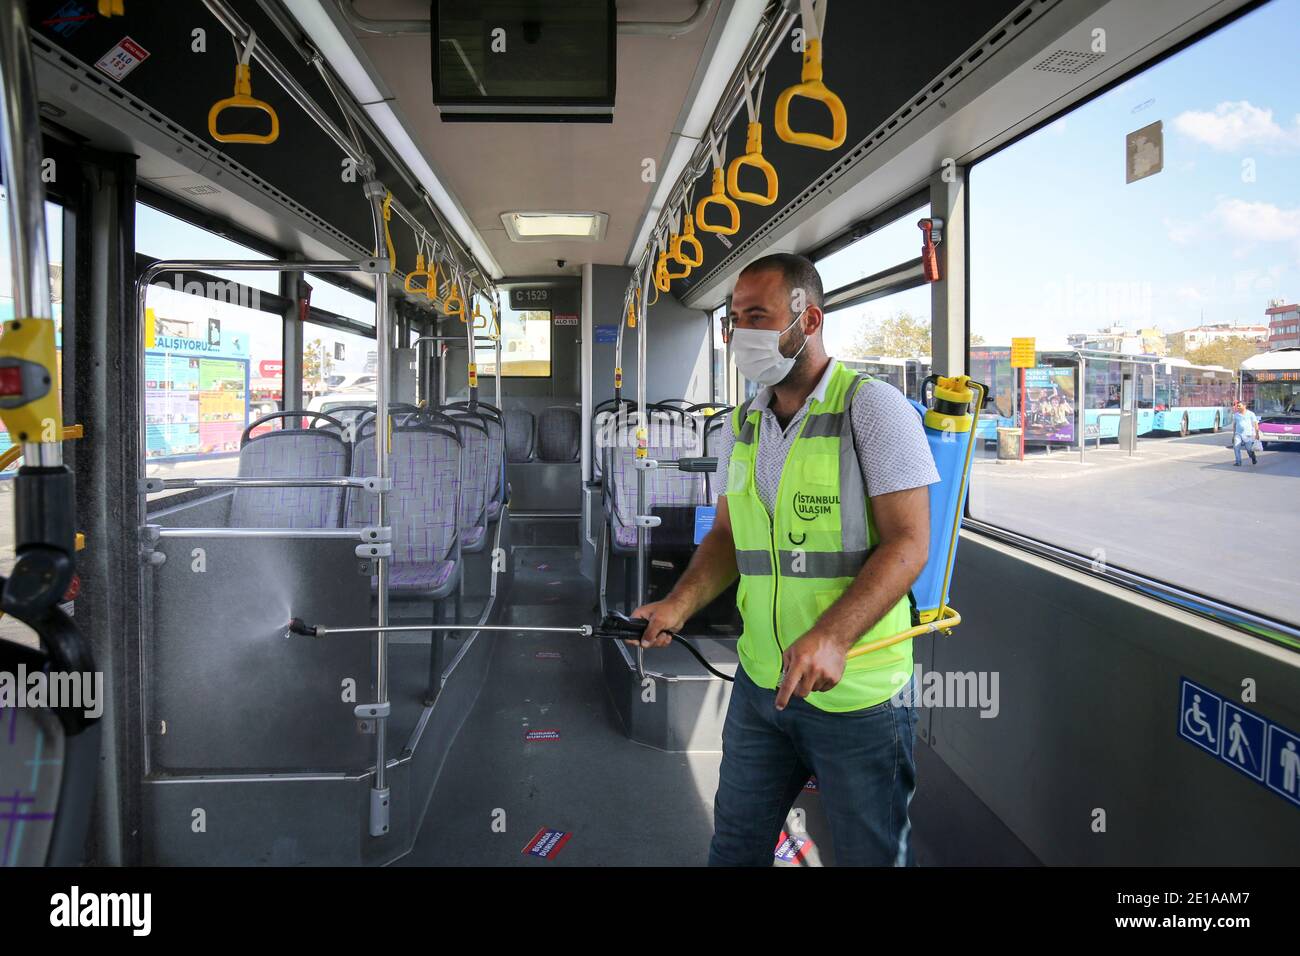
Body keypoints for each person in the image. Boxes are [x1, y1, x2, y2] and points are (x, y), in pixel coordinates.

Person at [631, 253, 940, 866]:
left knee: (868, 858)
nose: (740, 334)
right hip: (761, 686)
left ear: (810, 318)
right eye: (733, 321)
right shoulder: (742, 424)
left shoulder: (871, 409)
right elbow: (725, 536)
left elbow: (909, 543)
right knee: (736, 849)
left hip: (856, 695)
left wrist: (831, 636)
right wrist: (679, 603)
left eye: (757, 317)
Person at [1231, 400, 1260, 467]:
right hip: (1238, 434)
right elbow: (1234, 425)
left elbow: (1255, 424)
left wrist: (1257, 433)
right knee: (1236, 447)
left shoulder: (1251, 414)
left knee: (1249, 449)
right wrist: (1233, 435)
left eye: (1239, 406)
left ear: (1244, 406)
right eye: (1237, 406)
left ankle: (1253, 457)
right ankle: (1238, 462)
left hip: (1248, 434)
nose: (1238, 407)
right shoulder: (1236, 415)